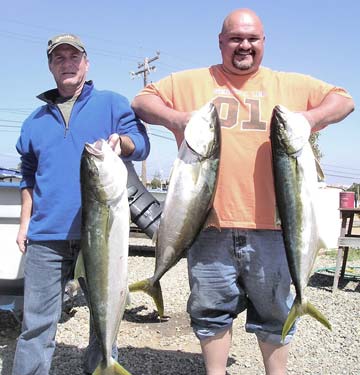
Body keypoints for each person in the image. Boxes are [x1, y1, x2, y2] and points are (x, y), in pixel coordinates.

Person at [131, 8, 354, 375]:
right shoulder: (192, 82)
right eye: (236, 38)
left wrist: (309, 120)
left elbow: (344, 100)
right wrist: (176, 119)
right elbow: (141, 101)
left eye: (252, 39)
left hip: (276, 229)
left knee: (274, 314)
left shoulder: (288, 84)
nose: (244, 46)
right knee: (210, 312)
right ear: (221, 42)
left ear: (264, 42)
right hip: (207, 227)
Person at [12, 33, 150, 375]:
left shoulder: (113, 103)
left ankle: (103, 365)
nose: (67, 63)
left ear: (86, 64)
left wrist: (125, 143)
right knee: (36, 325)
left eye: (74, 57)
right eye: (59, 59)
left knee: (103, 320)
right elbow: (28, 178)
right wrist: (24, 223)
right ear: (50, 67)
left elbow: (142, 143)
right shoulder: (33, 122)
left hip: (101, 238)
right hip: (46, 238)